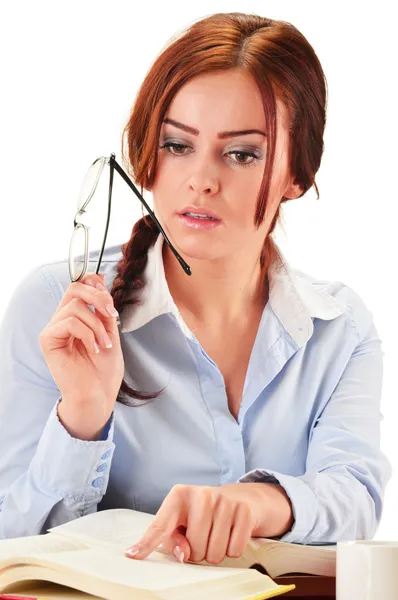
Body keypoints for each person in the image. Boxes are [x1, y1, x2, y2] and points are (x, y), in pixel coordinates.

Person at [0, 12, 391, 566]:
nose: (202, 179)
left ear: (297, 174)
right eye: (178, 145)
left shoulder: (338, 327)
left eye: (242, 153)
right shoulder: (57, 307)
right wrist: (83, 419)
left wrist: (256, 503)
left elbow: (355, 494)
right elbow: (13, 549)